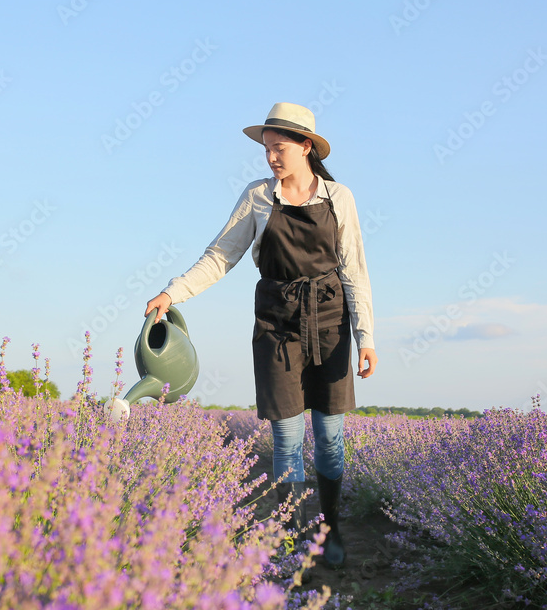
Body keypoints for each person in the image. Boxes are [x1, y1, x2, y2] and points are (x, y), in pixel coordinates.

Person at [145, 102, 376, 569]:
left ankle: (330, 529)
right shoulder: (256, 196)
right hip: (276, 327)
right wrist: (172, 294)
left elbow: (354, 270)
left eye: (280, 148)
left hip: (330, 324)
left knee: (330, 440)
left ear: (306, 146)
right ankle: (293, 543)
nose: (271, 157)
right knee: (287, 440)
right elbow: (220, 256)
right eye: (267, 149)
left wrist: (365, 336)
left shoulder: (339, 197)